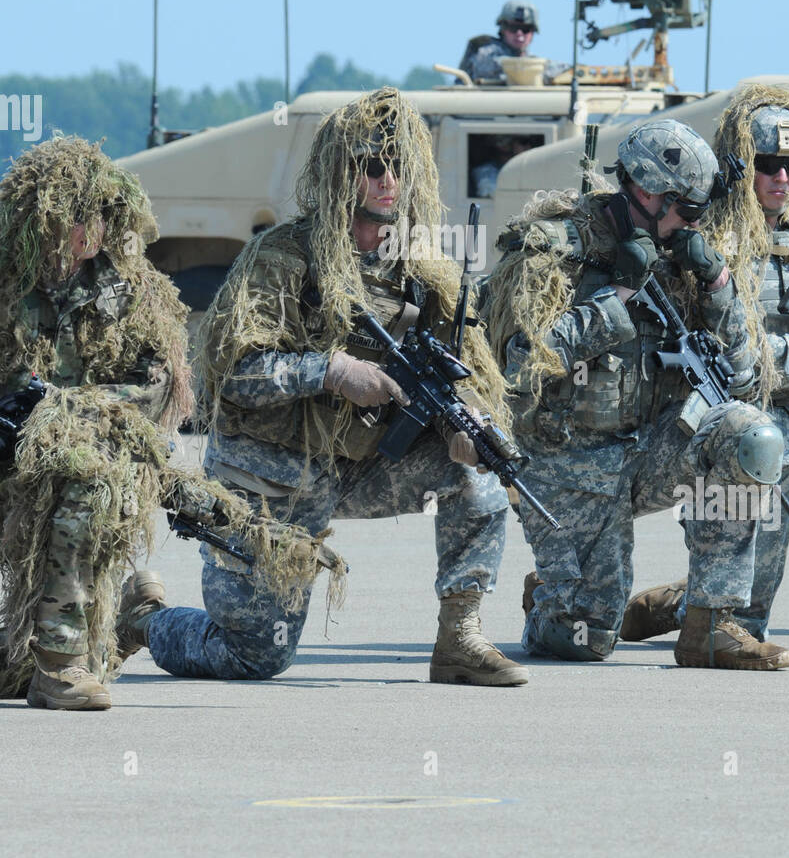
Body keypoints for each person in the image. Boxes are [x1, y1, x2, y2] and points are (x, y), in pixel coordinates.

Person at [128, 87, 528, 686]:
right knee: (252, 657)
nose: (387, 179)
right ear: (341, 174)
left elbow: (464, 373)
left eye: (398, 166)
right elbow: (230, 375)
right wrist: (331, 371)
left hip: (360, 467)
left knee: (476, 473)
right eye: (371, 167)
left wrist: (465, 423)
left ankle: (460, 639)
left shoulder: (420, 274)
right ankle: (145, 619)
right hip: (268, 475)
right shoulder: (281, 257)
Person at [483, 116, 789, 671]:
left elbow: (746, 381)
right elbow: (515, 368)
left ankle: (709, 623)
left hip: (648, 452)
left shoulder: (684, 258)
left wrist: (719, 286)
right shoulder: (553, 251)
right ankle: (553, 597)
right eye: (688, 211)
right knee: (586, 638)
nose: (692, 226)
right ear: (645, 191)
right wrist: (617, 298)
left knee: (751, 435)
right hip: (568, 465)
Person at [621, 85, 789, 646]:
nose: (782, 177)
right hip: (741, 423)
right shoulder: (707, 246)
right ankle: (701, 608)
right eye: (767, 164)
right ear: (742, 166)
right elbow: (724, 358)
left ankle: (687, 600)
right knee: (748, 616)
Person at [0, 137, 194, 710]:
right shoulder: (9, 285)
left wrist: (74, 408)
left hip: (94, 458)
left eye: (101, 216)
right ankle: (124, 624)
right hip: (9, 457)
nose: (90, 231)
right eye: (77, 215)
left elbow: (157, 381)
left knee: (87, 484)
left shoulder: (134, 291)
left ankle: (61, 665)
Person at [458, 0, 548, 85]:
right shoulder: (488, 52)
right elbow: (498, 68)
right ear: (503, 29)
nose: (519, 34)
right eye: (513, 27)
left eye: (526, 29)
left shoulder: (529, 59)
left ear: (533, 33)